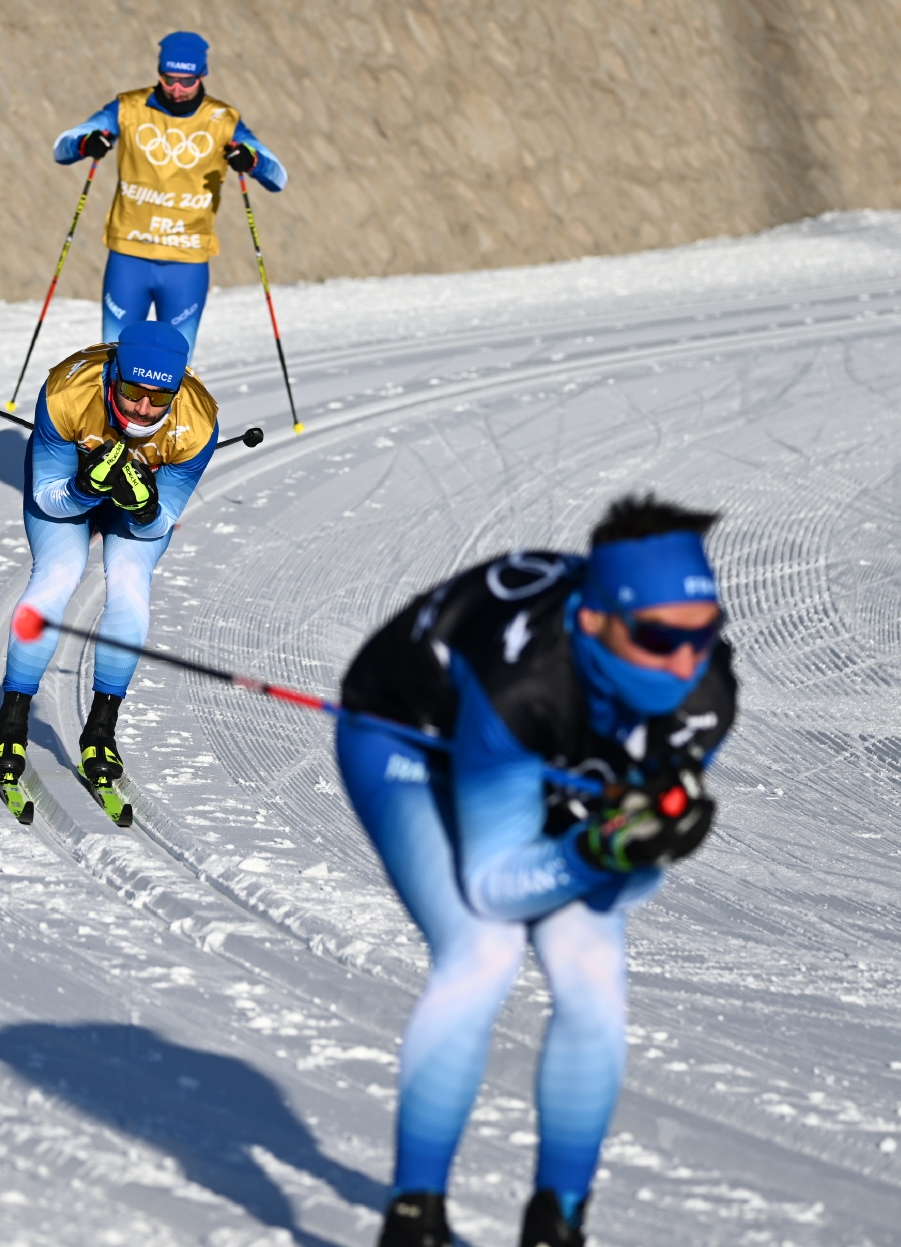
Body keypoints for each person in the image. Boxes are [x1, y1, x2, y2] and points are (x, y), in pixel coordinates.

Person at [335, 497, 736, 1247]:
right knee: (481, 953)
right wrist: (604, 849)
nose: (686, 666)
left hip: (546, 760)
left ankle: (558, 1223)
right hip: (412, 742)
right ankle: (414, 1219)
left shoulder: (705, 698)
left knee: (592, 978)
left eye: (704, 636)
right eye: (658, 639)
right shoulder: (525, 685)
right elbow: (495, 883)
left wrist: (647, 847)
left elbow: (620, 889)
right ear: (595, 621)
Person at [0, 319, 218, 820]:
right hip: (68, 485)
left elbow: (159, 526)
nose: (142, 408)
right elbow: (49, 496)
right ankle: (10, 728)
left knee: (131, 586)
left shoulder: (197, 424)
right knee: (57, 576)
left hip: (135, 499)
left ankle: (101, 732)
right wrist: (86, 490)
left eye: (159, 399)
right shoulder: (67, 391)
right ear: (115, 374)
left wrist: (147, 508)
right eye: (133, 391)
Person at [53, 30, 286, 359]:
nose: (177, 89)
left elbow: (278, 176)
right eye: (169, 79)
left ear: (202, 75)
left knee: (176, 366)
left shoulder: (223, 120)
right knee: (113, 359)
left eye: (187, 81)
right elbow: (62, 148)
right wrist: (84, 143)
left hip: (186, 261)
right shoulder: (128, 107)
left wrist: (253, 161)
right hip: (129, 255)